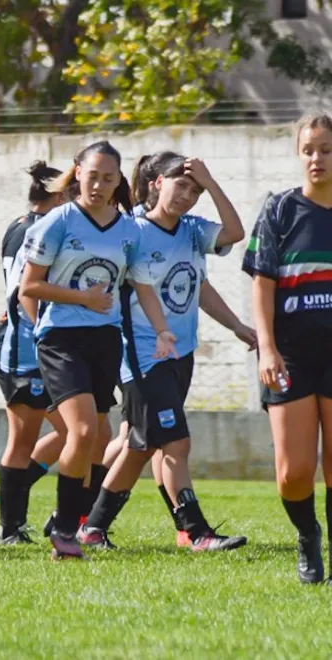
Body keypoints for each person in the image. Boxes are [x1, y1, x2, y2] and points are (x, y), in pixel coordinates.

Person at [78, 152, 249, 552]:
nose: (188, 196)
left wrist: (238, 326)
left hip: (180, 353)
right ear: (156, 183)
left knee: (141, 445)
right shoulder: (132, 230)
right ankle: (197, 532)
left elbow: (230, 240)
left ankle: (92, 527)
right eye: (181, 185)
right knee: (175, 443)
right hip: (141, 354)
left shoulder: (191, 231)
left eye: (195, 190)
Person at [18, 140, 178, 560]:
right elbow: (29, 287)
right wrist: (81, 300)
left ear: (118, 181)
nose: (99, 184)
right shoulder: (58, 221)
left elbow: (142, 285)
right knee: (84, 432)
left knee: (93, 438)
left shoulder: (128, 229)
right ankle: (65, 528)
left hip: (105, 341)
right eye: (93, 176)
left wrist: (162, 331)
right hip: (61, 339)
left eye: (109, 178)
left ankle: (64, 525)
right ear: (78, 173)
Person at [244, 113, 332, 584]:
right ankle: (306, 535)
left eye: (325, 149)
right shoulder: (280, 210)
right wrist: (267, 349)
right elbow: (262, 287)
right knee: (294, 472)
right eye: (308, 150)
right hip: (291, 356)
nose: (316, 158)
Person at [0, 160, 70, 545]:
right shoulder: (37, 230)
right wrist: (43, 330)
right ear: (59, 194)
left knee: (81, 432)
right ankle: (9, 526)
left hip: (41, 345)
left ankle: (49, 515)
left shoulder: (21, 224)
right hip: (25, 347)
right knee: (23, 440)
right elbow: (24, 291)